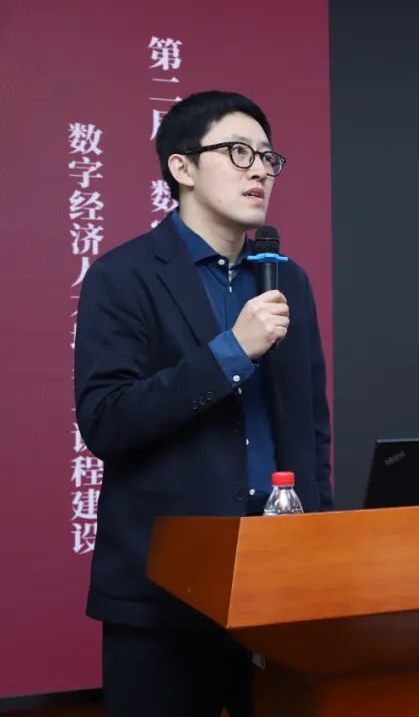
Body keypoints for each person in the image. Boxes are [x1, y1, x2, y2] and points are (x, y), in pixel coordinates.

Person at [74, 90, 333, 716]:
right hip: (166, 590)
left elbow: (312, 427)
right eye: (239, 152)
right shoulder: (123, 276)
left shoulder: (286, 280)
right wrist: (231, 352)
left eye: (268, 157)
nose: (259, 170)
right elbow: (107, 420)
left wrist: (322, 548)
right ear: (182, 167)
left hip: (280, 585)